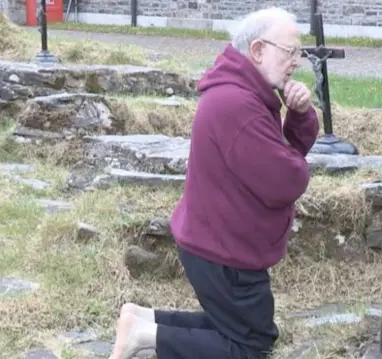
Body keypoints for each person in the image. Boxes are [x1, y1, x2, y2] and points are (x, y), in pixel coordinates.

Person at [109, 6, 319, 359]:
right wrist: (294, 161)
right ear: (257, 50)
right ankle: (144, 335)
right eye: (290, 51)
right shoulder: (236, 104)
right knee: (251, 347)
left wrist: (299, 115)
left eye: (299, 52)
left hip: (222, 243)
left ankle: (142, 320)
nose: (296, 61)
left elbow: (282, 154)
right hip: (225, 253)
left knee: (251, 332)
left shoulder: (245, 93)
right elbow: (286, 180)